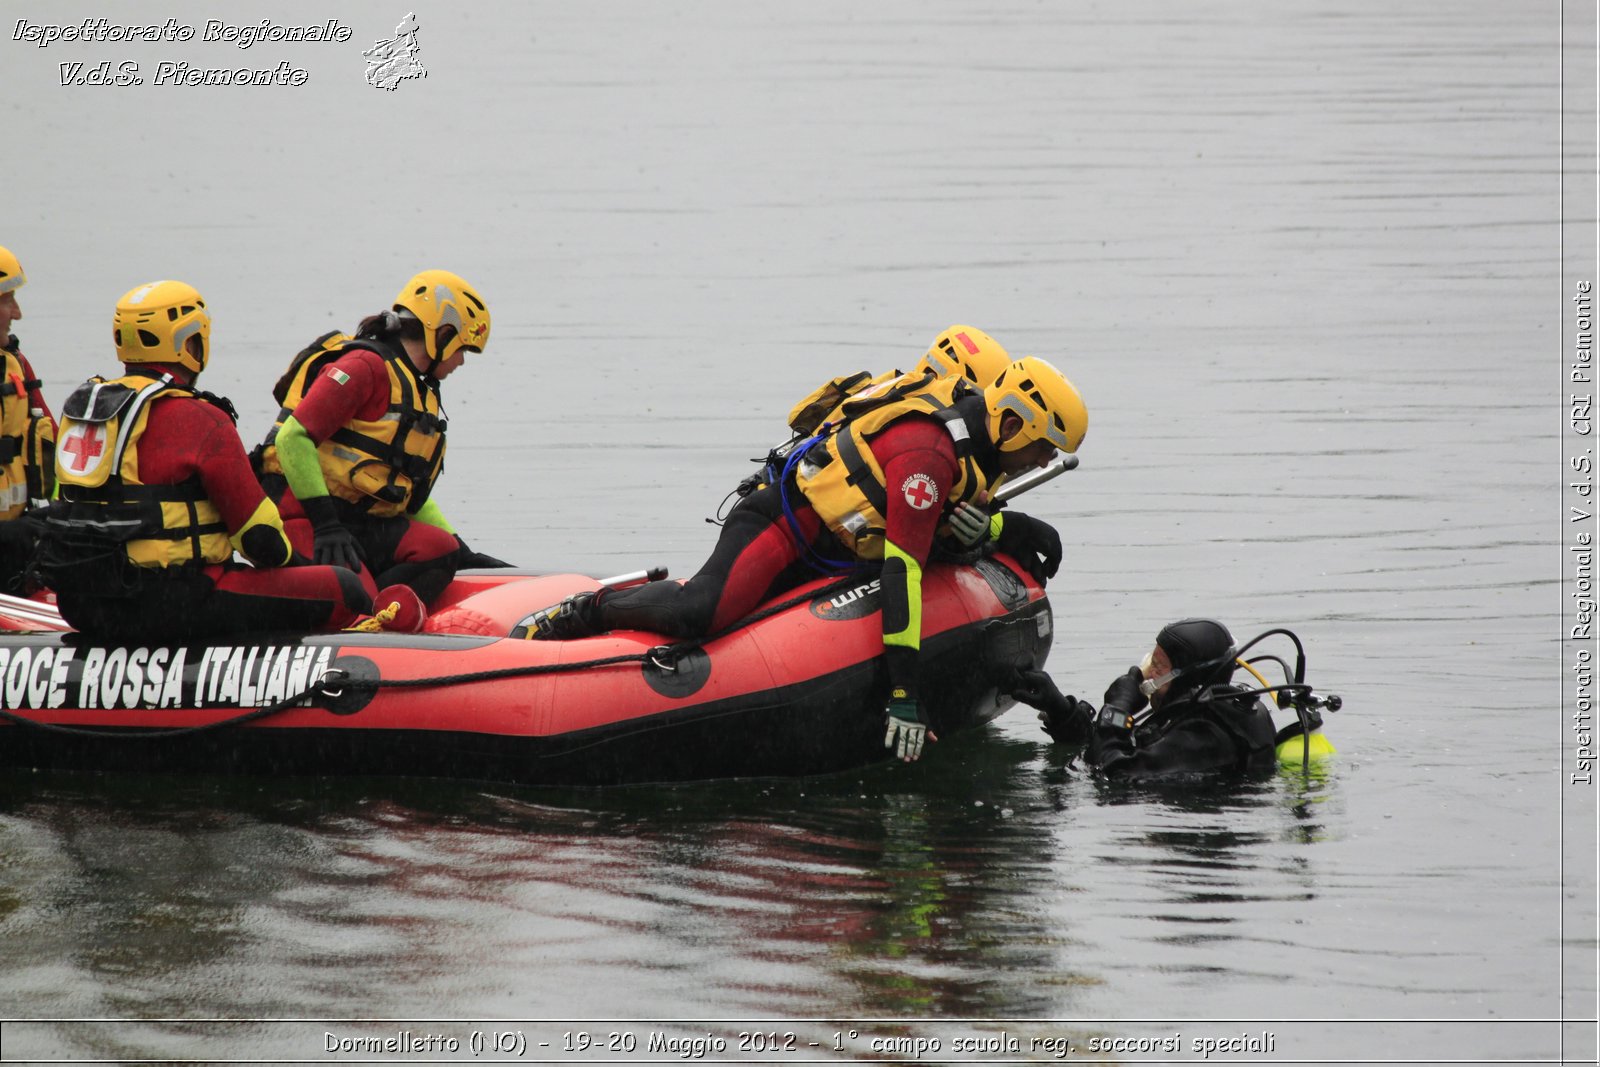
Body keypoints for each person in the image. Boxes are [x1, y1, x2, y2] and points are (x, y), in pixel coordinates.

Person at [528, 355, 1088, 764]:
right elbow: (902, 573)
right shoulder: (930, 454)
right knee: (703, 612)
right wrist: (903, 695)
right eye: (1040, 451)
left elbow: (962, 518)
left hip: (842, 552)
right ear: (1014, 424)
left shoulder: (983, 444)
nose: (1036, 465)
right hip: (787, 525)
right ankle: (588, 610)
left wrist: (1000, 528)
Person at [35, 280, 372, 642]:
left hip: (83, 604)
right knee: (342, 587)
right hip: (170, 603)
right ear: (190, 343)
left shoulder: (85, 410)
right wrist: (304, 573)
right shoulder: (200, 417)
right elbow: (262, 541)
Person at [254, 270, 503, 613]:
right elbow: (292, 438)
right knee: (353, 596)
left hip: (360, 522)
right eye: (462, 349)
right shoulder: (364, 367)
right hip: (307, 518)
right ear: (441, 335)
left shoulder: (417, 387)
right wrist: (326, 525)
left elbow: (409, 492)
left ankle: (386, 613)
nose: (462, 361)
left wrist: (464, 552)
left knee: (440, 550)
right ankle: (361, 617)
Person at [1010, 617, 1336, 779]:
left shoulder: (1206, 732)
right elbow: (1117, 748)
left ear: (1187, 675)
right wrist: (1060, 711)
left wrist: (1117, 708)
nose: (1147, 671)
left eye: (1160, 665)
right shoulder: (1204, 710)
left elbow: (1113, 771)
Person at [0, 246, 57, 595]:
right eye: (7, 301)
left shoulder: (15, 364)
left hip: (18, 544)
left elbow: (60, 453)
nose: (17, 314)